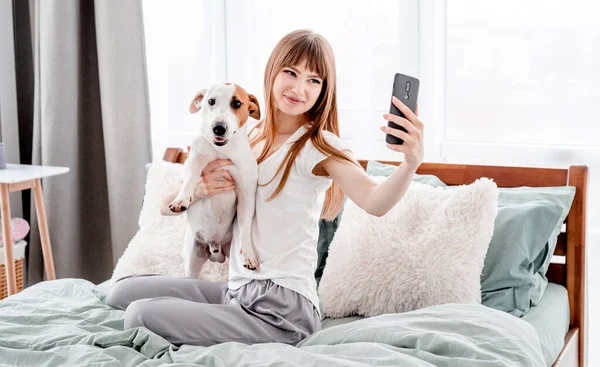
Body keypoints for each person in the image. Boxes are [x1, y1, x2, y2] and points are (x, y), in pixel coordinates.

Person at [106, 29, 424, 347]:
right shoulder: (246, 134)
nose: (300, 87)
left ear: (325, 89)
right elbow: (167, 204)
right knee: (120, 292)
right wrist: (199, 188)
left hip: (283, 308)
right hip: (238, 291)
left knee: (139, 315)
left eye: (314, 80)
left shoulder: (320, 145)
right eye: (291, 72)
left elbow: (374, 201)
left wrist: (410, 163)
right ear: (273, 71)